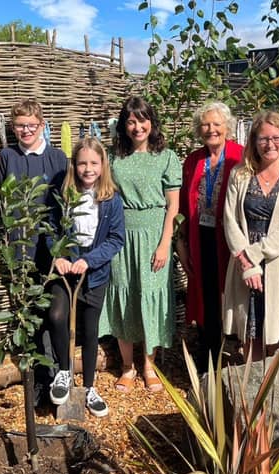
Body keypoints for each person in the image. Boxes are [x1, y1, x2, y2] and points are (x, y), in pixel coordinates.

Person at [100, 96, 181, 392]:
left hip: (154, 233)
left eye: (142, 119)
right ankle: (127, 367)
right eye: (131, 121)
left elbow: (173, 207)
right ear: (124, 124)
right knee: (124, 296)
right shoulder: (113, 156)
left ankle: (149, 365)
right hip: (122, 232)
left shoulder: (167, 157)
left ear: (152, 122)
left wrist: (164, 244)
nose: (137, 126)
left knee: (151, 295)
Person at [223, 110, 279, 361]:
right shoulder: (240, 174)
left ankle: (274, 392)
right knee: (250, 331)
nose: (270, 144)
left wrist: (253, 254)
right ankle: (251, 392)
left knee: (277, 331)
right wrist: (247, 264)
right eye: (263, 138)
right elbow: (230, 221)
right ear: (253, 141)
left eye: (276, 138)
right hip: (246, 266)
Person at [0, 99, 68, 405]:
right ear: (13, 128)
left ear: (42, 125)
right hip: (21, 249)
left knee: (55, 313)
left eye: (31, 125)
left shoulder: (57, 158)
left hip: (50, 250)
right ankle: (41, 379)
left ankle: (62, 373)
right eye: (20, 125)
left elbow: (66, 203)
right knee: (31, 316)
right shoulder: (6, 157)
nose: (26, 130)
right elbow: (2, 202)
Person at [46, 137, 125, 417]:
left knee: (90, 330)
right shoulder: (64, 192)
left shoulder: (111, 198)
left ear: (103, 165)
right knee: (57, 316)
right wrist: (59, 256)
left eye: (94, 163)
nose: (88, 169)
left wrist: (88, 261)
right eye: (82, 163)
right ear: (74, 165)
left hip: (95, 274)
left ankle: (90, 387)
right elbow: (51, 228)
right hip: (65, 272)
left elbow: (116, 239)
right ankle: (64, 372)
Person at [176, 101, 244, 371]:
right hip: (200, 237)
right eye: (205, 124)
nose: (211, 129)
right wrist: (181, 243)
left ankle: (237, 355)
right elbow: (183, 203)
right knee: (205, 296)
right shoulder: (194, 160)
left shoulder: (241, 155)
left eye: (217, 124)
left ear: (227, 127)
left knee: (231, 294)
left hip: (230, 238)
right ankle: (208, 359)